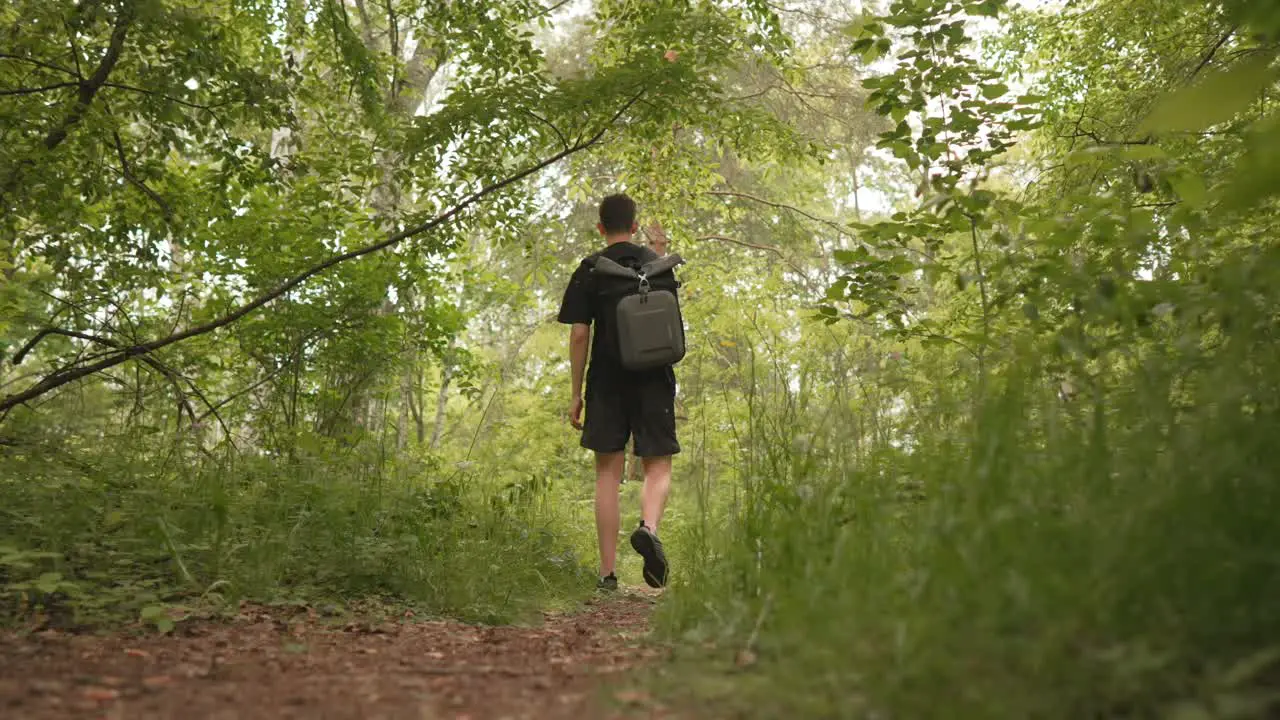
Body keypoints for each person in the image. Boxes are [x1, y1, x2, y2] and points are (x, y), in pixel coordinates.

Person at [557, 194, 679, 591]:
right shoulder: (657, 266)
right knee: (657, 465)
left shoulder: (590, 269)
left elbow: (579, 334)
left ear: (600, 227)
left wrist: (576, 394)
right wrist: (658, 253)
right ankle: (649, 527)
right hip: (653, 376)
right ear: (635, 223)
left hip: (606, 380)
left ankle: (607, 574)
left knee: (606, 476)